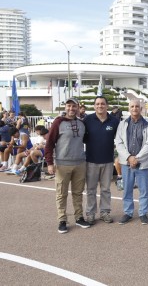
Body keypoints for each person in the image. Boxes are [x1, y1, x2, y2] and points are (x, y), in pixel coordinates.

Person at [44, 97, 90, 234]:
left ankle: (79, 217)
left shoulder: (82, 124)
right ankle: (62, 220)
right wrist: (50, 163)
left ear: (77, 108)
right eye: (69, 106)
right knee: (61, 194)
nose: (71, 109)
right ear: (65, 107)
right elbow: (49, 144)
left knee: (78, 193)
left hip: (80, 163)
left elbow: (87, 140)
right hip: (62, 164)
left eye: (74, 106)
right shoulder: (58, 123)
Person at [115, 99, 148, 225]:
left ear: (141, 109)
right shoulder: (122, 124)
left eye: (137, 106)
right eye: (132, 106)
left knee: (143, 190)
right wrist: (129, 157)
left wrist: (137, 158)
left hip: (142, 163)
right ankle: (128, 212)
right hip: (126, 163)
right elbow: (118, 142)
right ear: (129, 108)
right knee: (127, 189)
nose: (134, 108)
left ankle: (143, 213)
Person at [84, 96, 119, 225]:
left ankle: (105, 212)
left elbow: (119, 139)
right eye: (97, 104)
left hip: (108, 161)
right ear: (94, 106)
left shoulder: (114, 121)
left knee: (106, 189)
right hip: (91, 160)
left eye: (102, 104)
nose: (100, 106)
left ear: (107, 106)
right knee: (91, 189)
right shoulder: (87, 120)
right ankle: (91, 213)